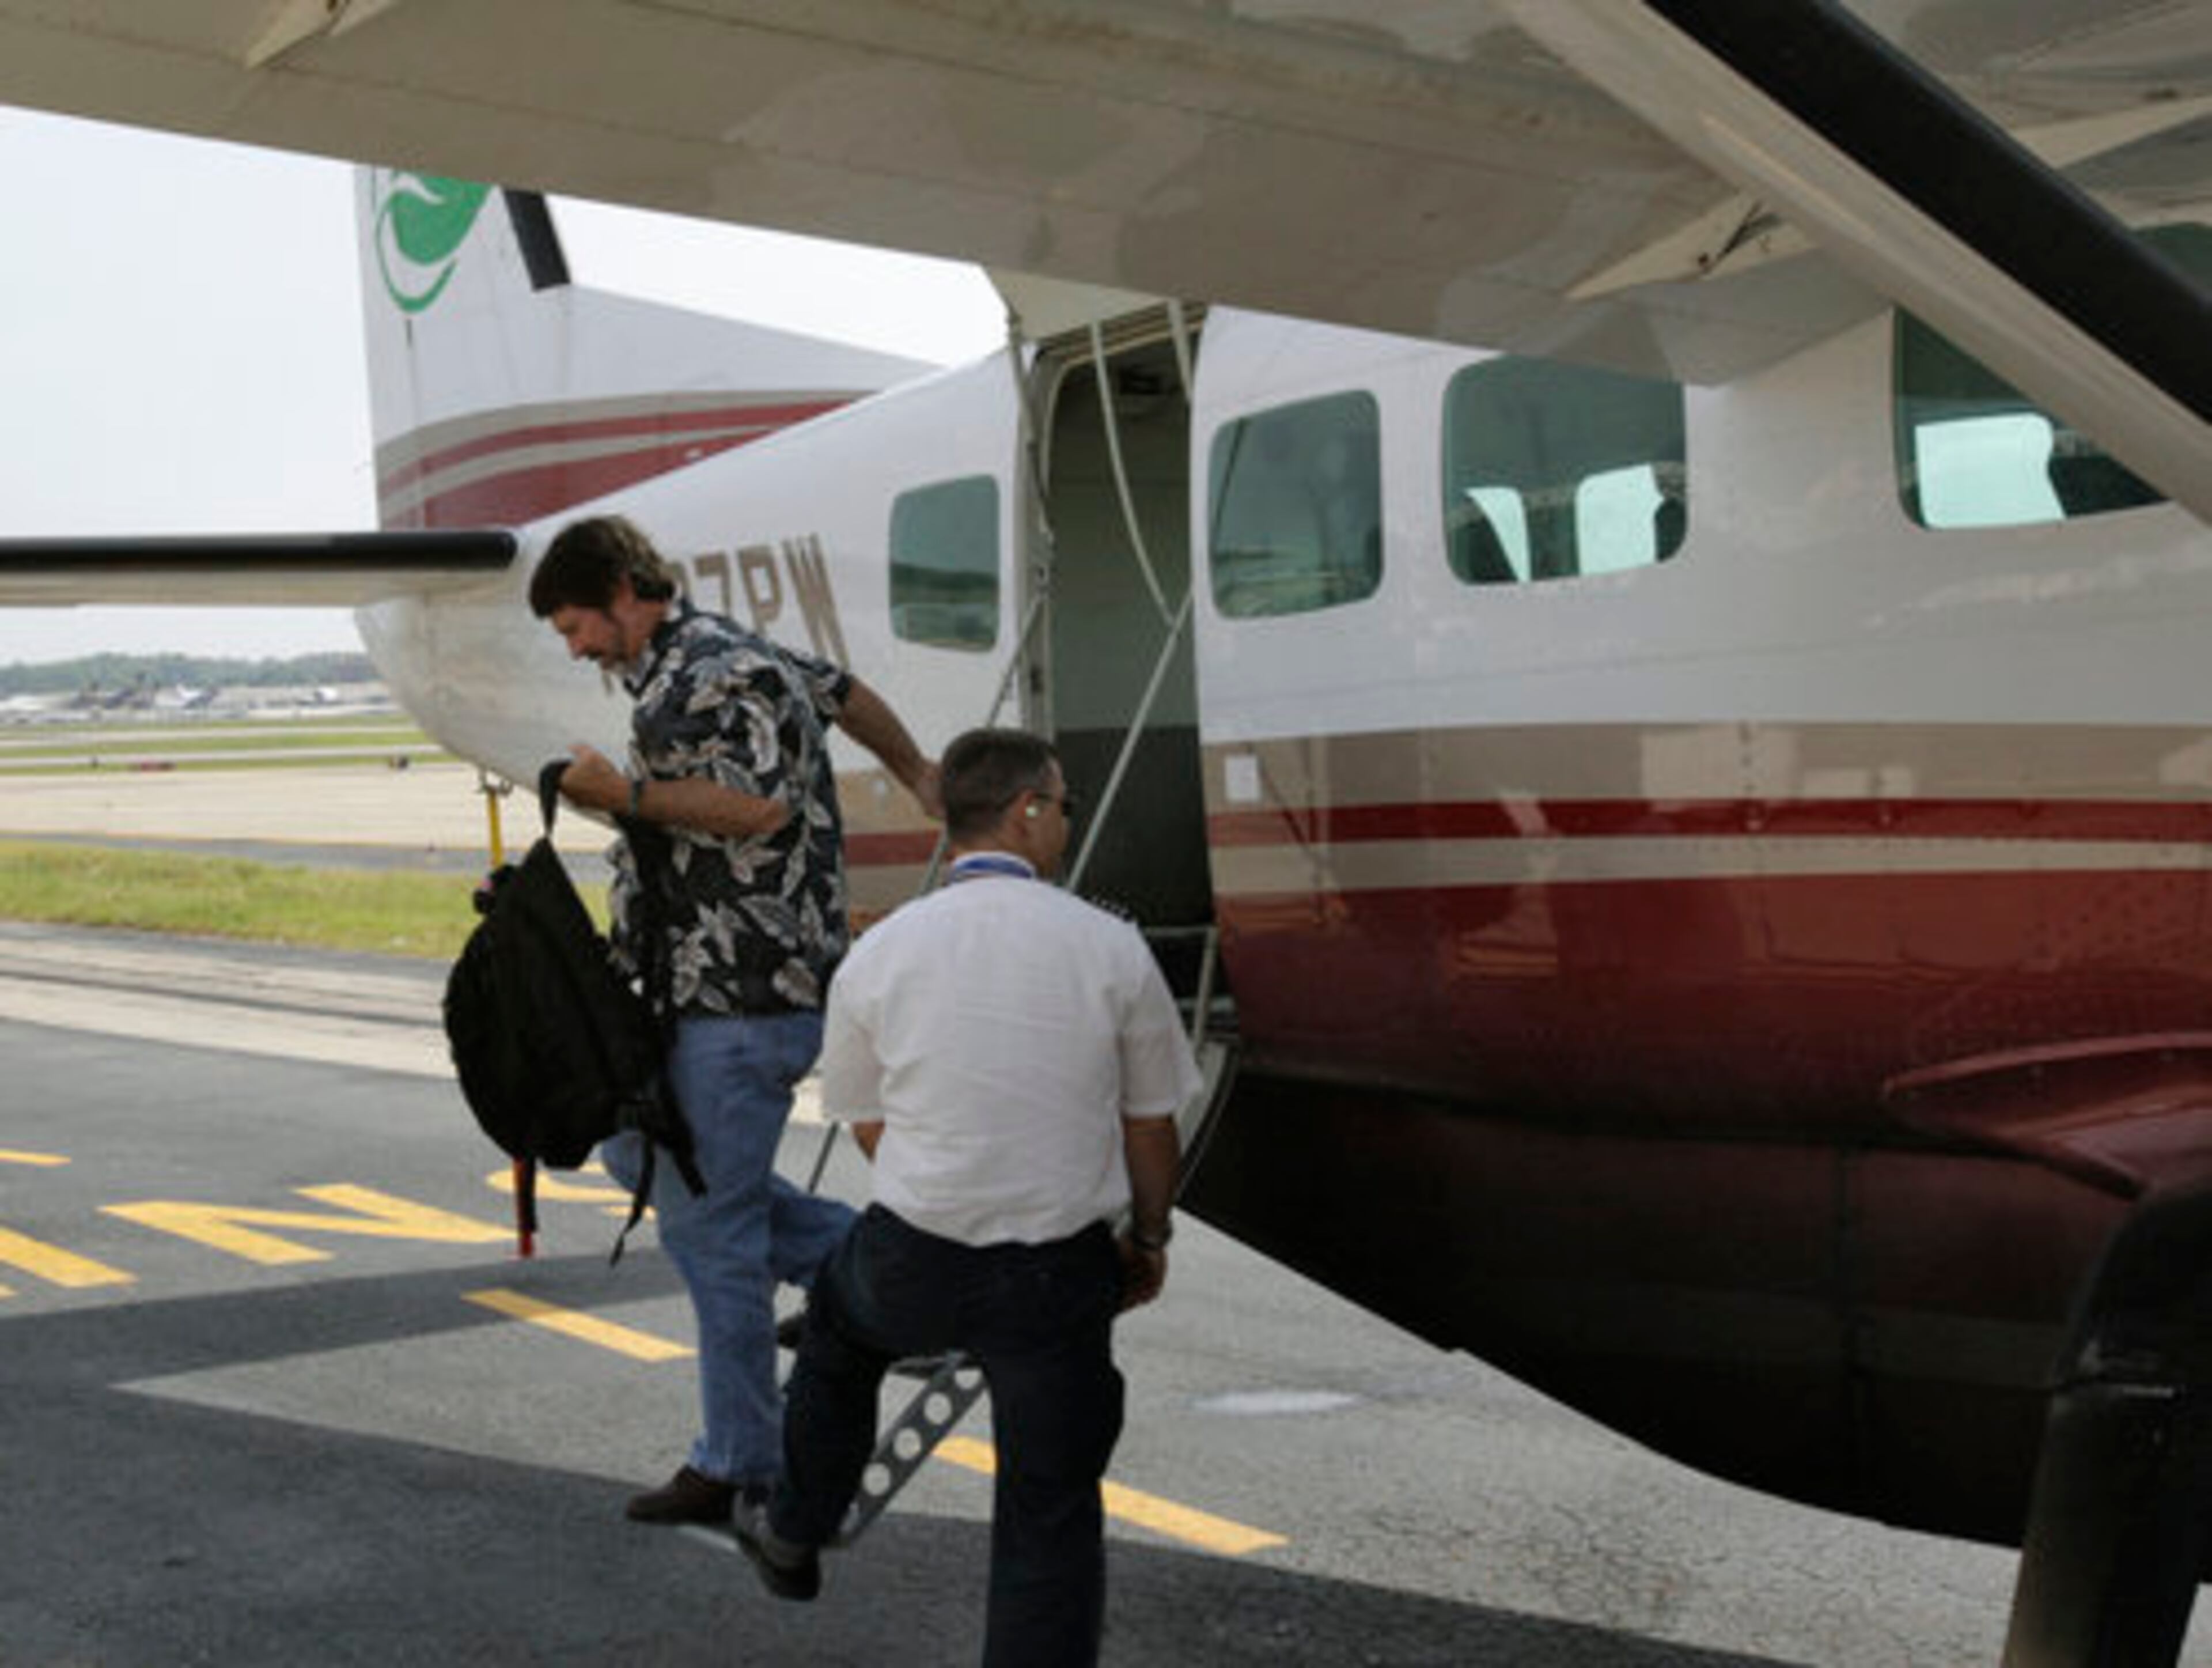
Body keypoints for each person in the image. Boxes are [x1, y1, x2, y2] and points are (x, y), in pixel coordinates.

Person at [734, 727, 1197, 1667]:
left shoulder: (881, 952)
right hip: (1055, 1277)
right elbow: (1152, 1124)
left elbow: (864, 1118)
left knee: (836, 1332)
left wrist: (941, 1191)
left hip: (915, 1256)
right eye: (1062, 804)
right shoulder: (1109, 947)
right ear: (1027, 811)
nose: (1065, 820)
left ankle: (794, 1527)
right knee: (1049, 1510)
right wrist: (1148, 1239)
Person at [528, 513, 941, 1527]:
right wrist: (919, 773)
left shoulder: (714, 670)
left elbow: (757, 809)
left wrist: (622, 793)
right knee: (641, 1154)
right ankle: (908, 1285)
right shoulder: (718, 657)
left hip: (744, 995)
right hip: (705, 992)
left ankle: (738, 1459)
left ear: (624, 591)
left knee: (712, 1235)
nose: (576, 649)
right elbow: (844, 693)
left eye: (577, 626)